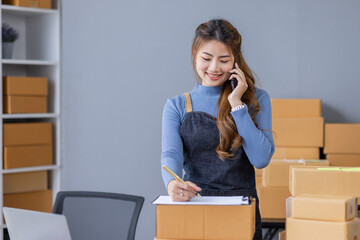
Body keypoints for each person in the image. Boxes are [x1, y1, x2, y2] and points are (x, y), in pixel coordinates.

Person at [161, 19, 274, 240]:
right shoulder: (176, 105)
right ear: (194, 53)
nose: (213, 68)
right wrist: (172, 183)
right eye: (206, 58)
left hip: (241, 211)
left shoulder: (256, 99)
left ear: (235, 60)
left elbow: (261, 159)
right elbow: (171, 154)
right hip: (195, 207)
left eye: (224, 60)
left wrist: (237, 104)